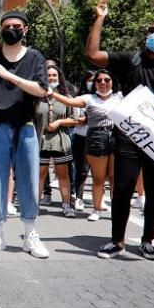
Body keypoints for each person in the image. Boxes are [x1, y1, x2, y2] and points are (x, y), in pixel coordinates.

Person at [85, 0, 154, 260]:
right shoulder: (130, 60)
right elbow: (92, 55)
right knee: (122, 189)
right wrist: (100, 17)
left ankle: (148, 241)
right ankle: (117, 241)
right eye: (152, 30)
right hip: (129, 137)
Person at [0, 11, 50, 257]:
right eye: (6, 25)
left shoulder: (35, 57)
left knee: (28, 181)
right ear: (0, 29)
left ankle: (30, 234)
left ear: (25, 29)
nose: (11, 29)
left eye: (16, 25)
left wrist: (7, 75)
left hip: (25, 126)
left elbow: (40, 90)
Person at [51, 69, 120, 222]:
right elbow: (69, 101)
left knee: (115, 178)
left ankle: (117, 210)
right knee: (98, 178)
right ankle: (96, 209)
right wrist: (52, 93)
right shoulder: (89, 98)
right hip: (96, 138)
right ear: (94, 83)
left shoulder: (120, 98)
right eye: (99, 80)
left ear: (113, 82)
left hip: (117, 138)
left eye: (107, 80)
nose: (103, 83)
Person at [36, 65, 79, 218]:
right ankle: (34, 205)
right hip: (40, 140)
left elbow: (75, 120)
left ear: (59, 78)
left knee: (63, 174)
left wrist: (59, 123)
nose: (51, 78)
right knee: (40, 174)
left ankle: (67, 205)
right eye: (48, 75)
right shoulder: (36, 97)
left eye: (54, 75)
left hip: (61, 140)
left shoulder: (66, 97)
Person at [69, 71, 94, 212]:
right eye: (89, 80)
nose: (93, 83)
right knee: (82, 170)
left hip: (99, 137)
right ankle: (79, 197)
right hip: (81, 137)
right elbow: (77, 120)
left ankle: (99, 198)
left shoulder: (102, 98)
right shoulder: (79, 98)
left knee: (99, 171)